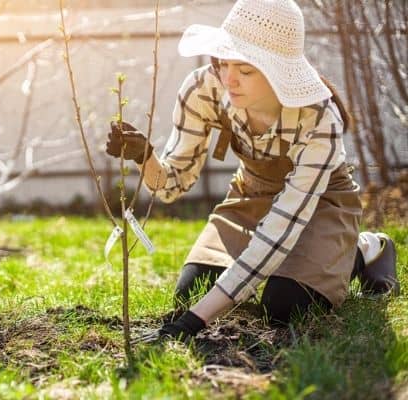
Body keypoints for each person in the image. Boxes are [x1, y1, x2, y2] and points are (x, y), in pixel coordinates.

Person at [105, 0, 399, 341]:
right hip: (251, 195)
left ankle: (363, 249)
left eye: (245, 70)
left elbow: (281, 228)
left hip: (318, 204)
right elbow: (170, 187)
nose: (229, 79)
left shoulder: (318, 119)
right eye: (222, 62)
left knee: (285, 306)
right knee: (193, 290)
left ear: (279, 73)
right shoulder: (205, 88)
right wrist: (145, 157)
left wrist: (194, 322)